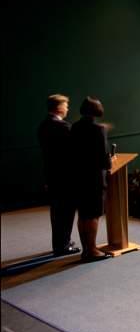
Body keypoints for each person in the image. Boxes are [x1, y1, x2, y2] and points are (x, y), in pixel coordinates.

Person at [71, 97, 113, 262]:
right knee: (94, 214)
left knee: (83, 215)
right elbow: (104, 160)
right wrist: (110, 161)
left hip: (79, 177)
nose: (102, 106)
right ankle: (93, 250)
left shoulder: (75, 127)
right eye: (99, 104)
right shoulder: (98, 129)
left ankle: (86, 249)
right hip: (94, 178)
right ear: (95, 110)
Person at [38, 94, 80, 256]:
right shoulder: (62, 126)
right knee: (66, 212)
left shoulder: (43, 126)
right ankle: (63, 246)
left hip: (52, 175)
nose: (68, 108)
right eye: (66, 105)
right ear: (58, 107)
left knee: (56, 213)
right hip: (66, 177)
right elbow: (74, 150)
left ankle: (59, 243)